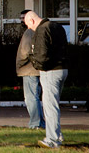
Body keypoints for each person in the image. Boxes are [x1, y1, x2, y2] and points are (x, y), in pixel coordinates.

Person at [25, 10, 68, 149]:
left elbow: (42, 54)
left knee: (50, 106)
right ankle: (57, 134)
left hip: (50, 71)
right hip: (62, 69)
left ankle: (52, 139)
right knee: (54, 105)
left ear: (32, 20)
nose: (28, 28)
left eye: (28, 25)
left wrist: (36, 64)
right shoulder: (57, 27)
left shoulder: (41, 30)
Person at [16, 9, 45, 130]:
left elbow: (25, 52)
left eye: (24, 18)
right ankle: (40, 122)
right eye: (21, 18)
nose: (22, 21)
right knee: (36, 97)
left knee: (31, 98)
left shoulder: (29, 32)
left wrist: (19, 64)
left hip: (28, 70)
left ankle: (35, 123)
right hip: (37, 69)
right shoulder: (40, 30)